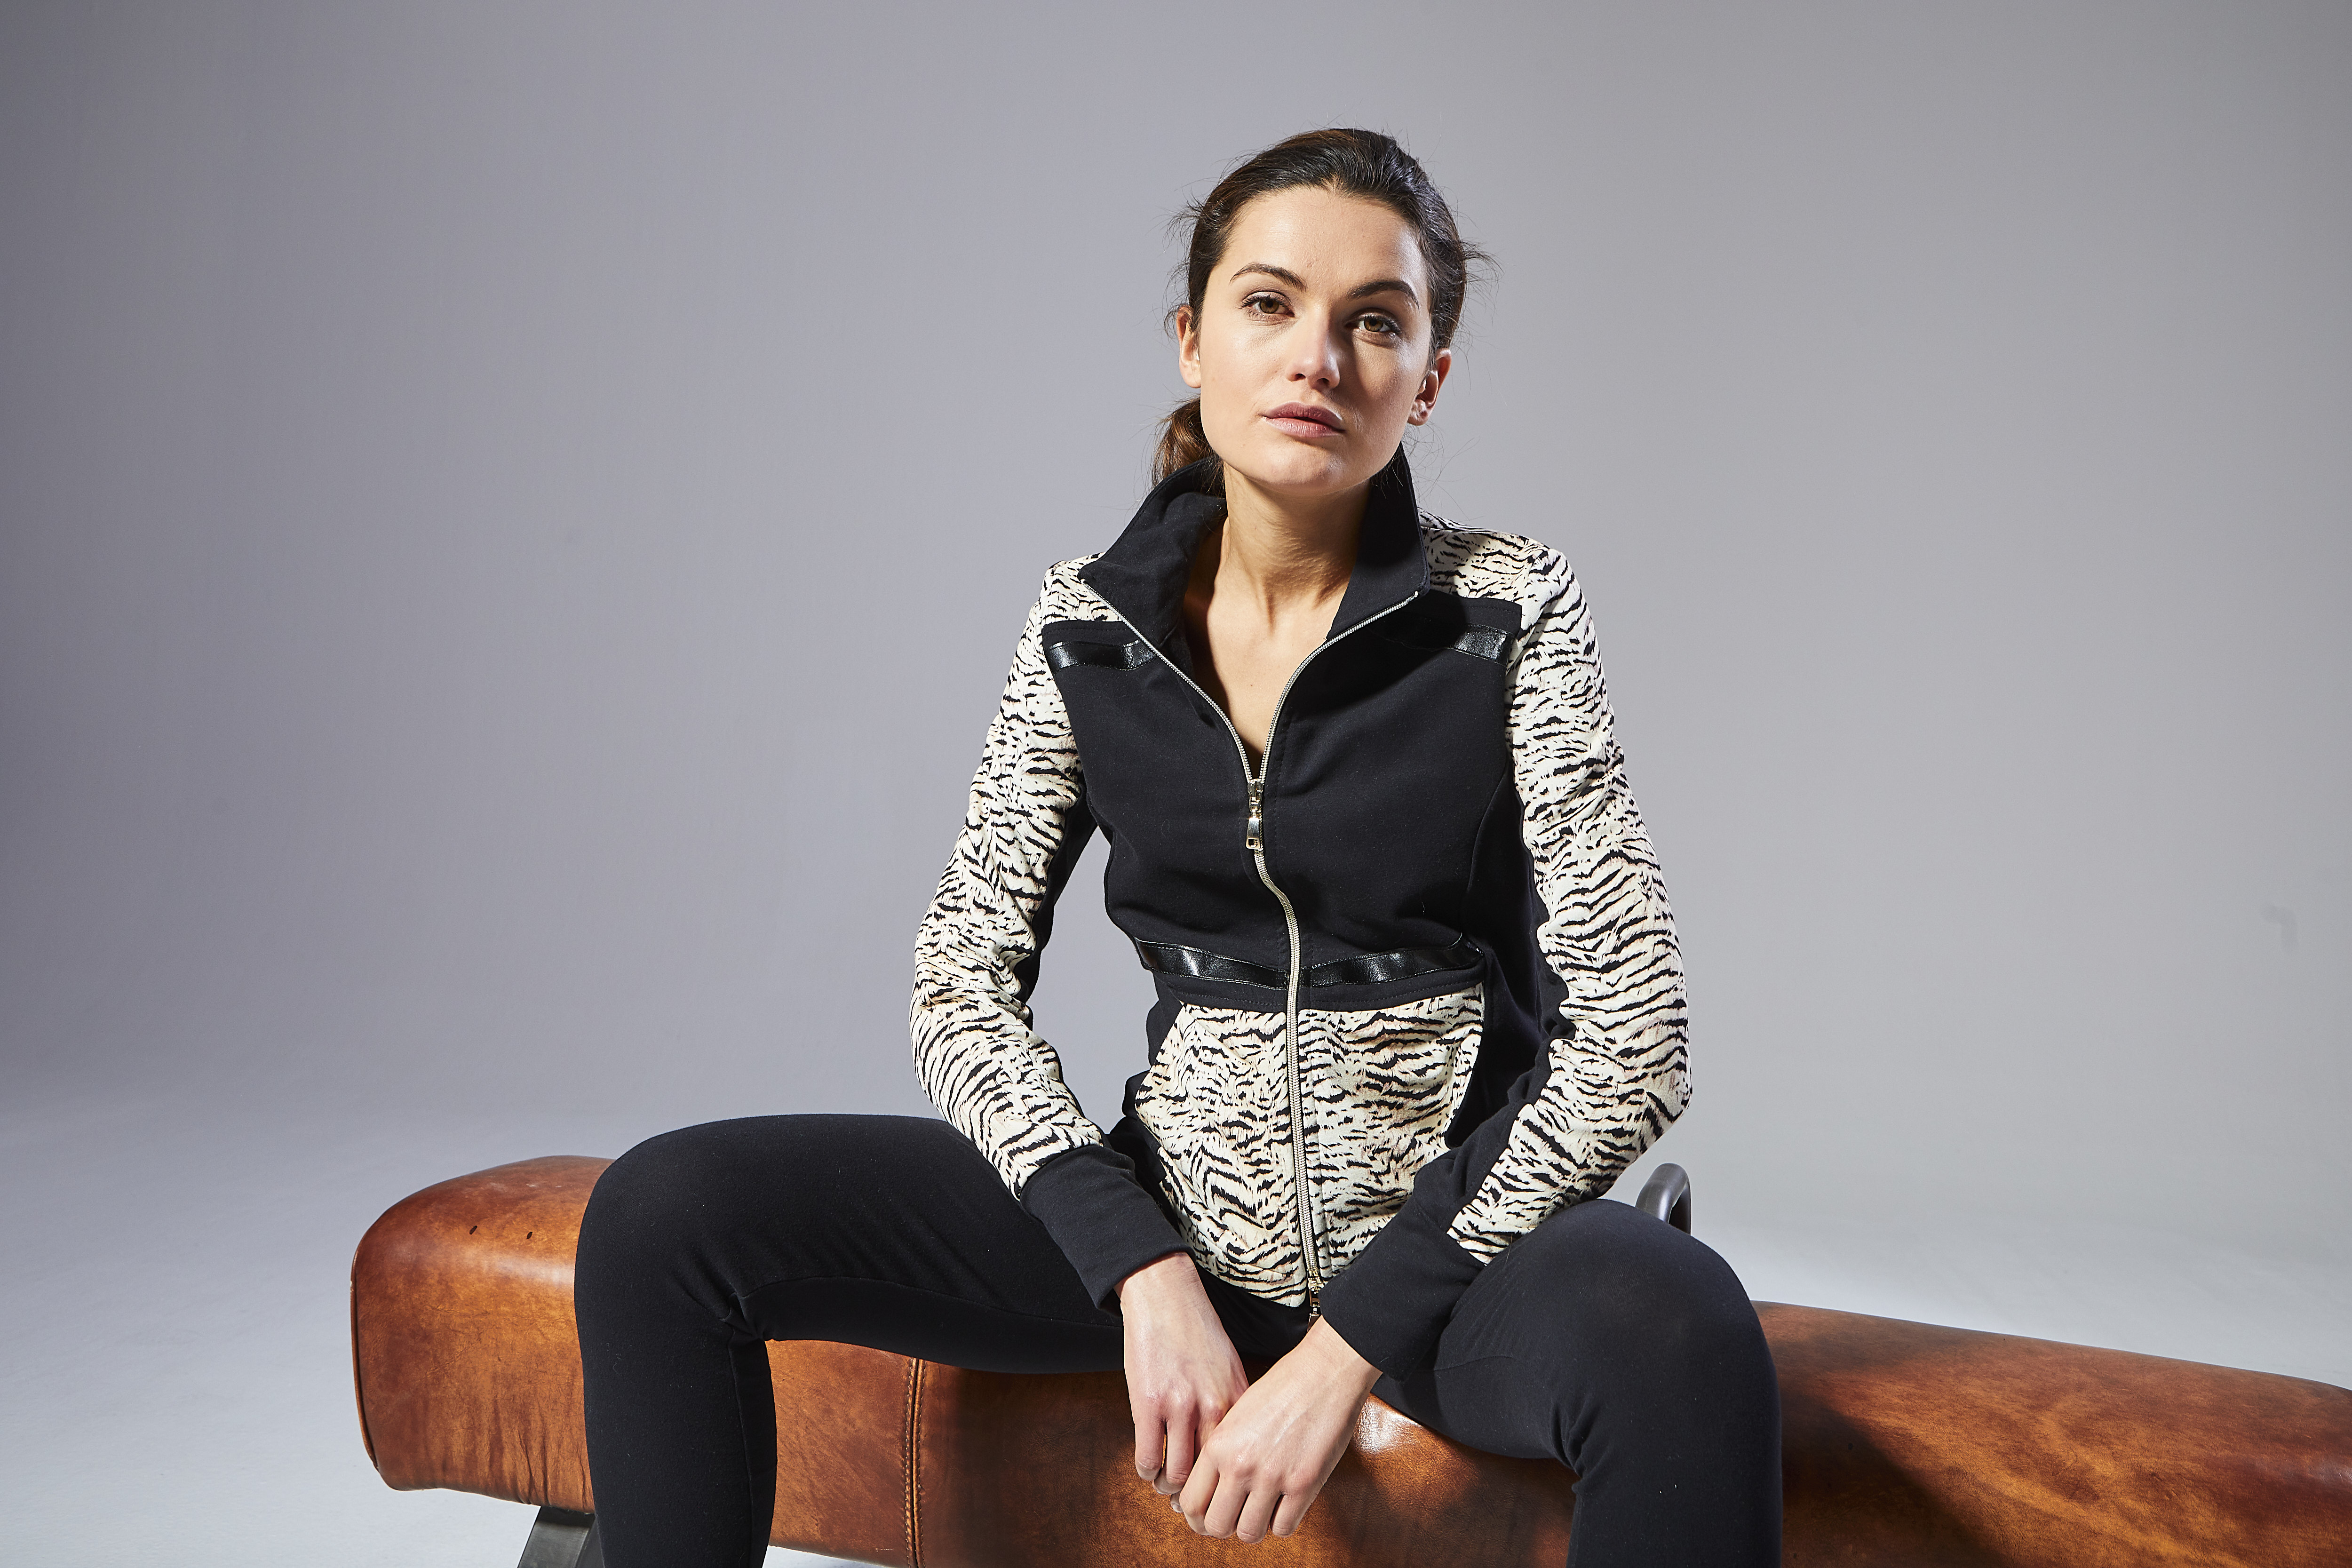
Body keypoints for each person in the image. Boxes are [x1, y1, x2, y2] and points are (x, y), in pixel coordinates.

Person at [573, 128, 1781, 1568]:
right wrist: (1139, 1266)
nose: (1317, 359)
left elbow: (1637, 1042)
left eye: (1375, 322)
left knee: (1678, 1325)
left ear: (1428, 381)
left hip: (1456, 1270)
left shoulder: (1505, 610)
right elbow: (958, 988)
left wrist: (1343, 1352)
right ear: (1194, 339)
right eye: (1270, 303)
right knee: (665, 1215)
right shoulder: (1088, 628)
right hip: (1174, 1223)